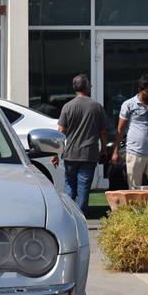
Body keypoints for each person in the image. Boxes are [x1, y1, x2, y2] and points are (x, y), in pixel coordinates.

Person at [53, 74, 107, 215]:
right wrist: (104, 149)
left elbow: (60, 132)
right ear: (87, 87)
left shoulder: (67, 107)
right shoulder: (97, 107)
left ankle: (69, 214)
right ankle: (80, 215)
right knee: (84, 186)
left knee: (70, 184)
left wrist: (55, 153)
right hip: (89, 154)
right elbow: (103, 132)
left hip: (70, 153)